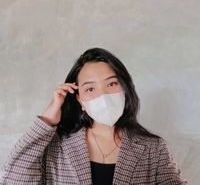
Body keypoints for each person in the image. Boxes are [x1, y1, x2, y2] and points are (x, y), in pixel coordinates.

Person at [0, 47, 188, 184]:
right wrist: (48, 119)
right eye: (90, 88)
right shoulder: (56, 146)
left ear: (125, 88)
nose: (103, 95)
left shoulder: (153, 148)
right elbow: (12, 178)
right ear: (80, 99)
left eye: (111, 84)